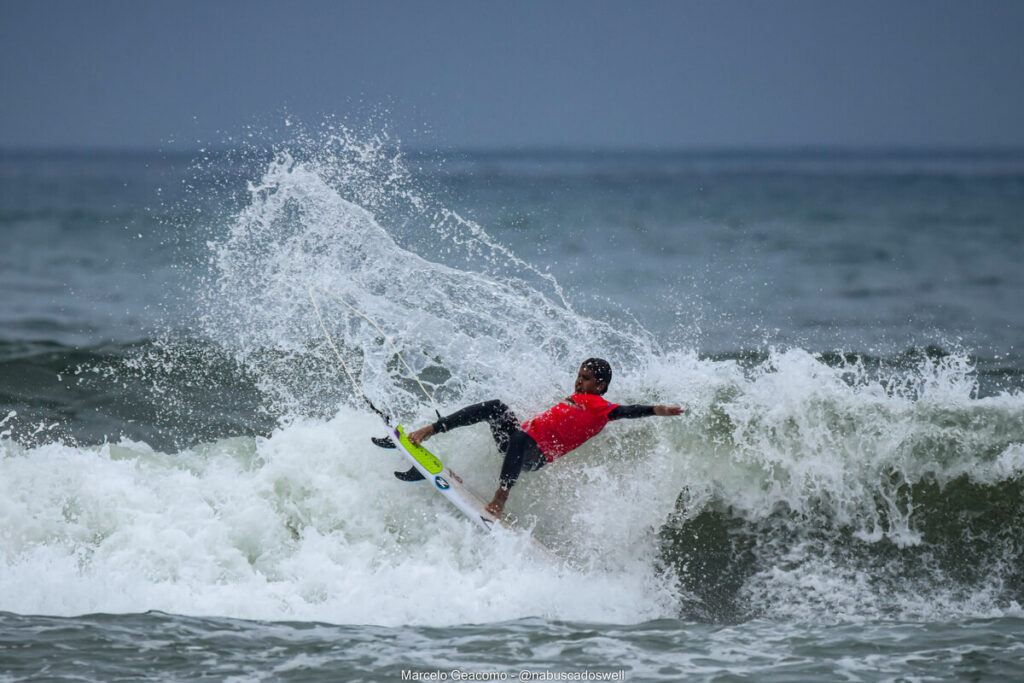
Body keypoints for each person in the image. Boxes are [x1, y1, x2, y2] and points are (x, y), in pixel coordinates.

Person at [397, 358, 684, 516]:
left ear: (601, 385)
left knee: (520, 438)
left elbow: (626, 411)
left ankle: (500, 498)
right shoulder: (576, 397)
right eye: (578, 375)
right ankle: (430, 430)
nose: (578, 381)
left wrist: (656, 410)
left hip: (534, 455)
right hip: (520, 442)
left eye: (585, 378)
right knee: (495, 407)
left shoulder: (601, 407)